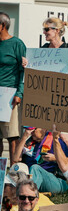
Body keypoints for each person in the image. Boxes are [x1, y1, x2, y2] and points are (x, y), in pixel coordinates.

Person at [0, 12, 26, 165]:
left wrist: (19, 92)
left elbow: (24, 70)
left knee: (12, 136)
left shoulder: (17, 44)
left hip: (9, 95)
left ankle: (13, 170)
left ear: (3, 26)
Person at [13, 127, 68, 193]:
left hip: (54, 181)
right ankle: (30, 191)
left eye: (34, 129)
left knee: (35, 168)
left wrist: (55, 158)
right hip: (31, 178)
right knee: (15, 170)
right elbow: (16, 159)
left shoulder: (55, 141)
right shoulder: (28, 142)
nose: (31, 131)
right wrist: (24, 137)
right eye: (30, 129)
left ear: (44, 129)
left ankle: (29, 194)